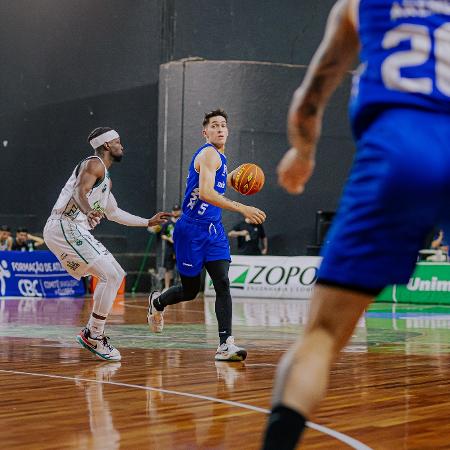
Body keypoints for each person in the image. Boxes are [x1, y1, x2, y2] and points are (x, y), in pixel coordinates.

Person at [262, 0, 450, 448]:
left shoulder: (356, 5)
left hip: (397, 150)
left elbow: (308, 100)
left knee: (322, 336)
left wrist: (302, 154)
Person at [147, 109, 266, 361]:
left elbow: (223, 182)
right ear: (205, 132)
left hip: (213, 230)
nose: (220, 129)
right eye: (214, 125)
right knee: (191, 290)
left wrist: (240, 178)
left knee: (222, 282)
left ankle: (226, 344)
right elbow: (206, 194)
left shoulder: (221, 159)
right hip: (190, 230)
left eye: (223, 125)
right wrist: (242, 207)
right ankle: (157, 303)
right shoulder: (208, 154)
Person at [43, 127, 171, 361]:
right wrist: (89, 210)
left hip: (71, 229)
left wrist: (147, 222)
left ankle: (93, 333)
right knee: (111, 275)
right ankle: (93, 335)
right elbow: (80, 192)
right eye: (117, 142)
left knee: (114, 275)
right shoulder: (93, 164)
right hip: (65, 224)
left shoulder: (106, 181)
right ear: (105, 146)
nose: (122, 146)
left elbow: (113, 213)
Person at [160, 204, 182, 291]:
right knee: (168, 268)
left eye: (177, 210)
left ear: (180, 211)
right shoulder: (167, 223)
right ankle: (166, 287)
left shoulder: (182, 222)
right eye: (174, 210)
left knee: (181, 268)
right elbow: (162, 235)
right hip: (169, 248)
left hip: (180, 248)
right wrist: (169, 238)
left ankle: (182, 286)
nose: (175, 212)